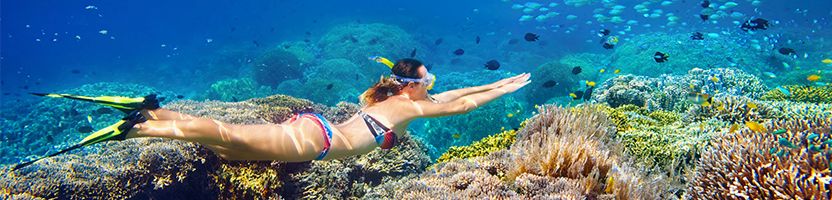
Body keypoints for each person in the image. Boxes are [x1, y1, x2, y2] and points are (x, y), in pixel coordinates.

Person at [13, 58, 531, 170]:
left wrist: (499, 80)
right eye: (431, 78)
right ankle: (140, 121)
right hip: (315, 143)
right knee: (224, 136)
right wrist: (501, 91)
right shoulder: (411, 109)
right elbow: (463, 101)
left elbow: (459, 91)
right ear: (419, 86)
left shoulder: (384, 97)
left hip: (312, 128)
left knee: (224, 141)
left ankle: (146, 119)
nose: (437, 84)